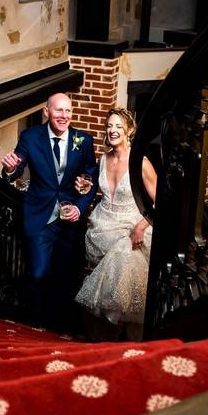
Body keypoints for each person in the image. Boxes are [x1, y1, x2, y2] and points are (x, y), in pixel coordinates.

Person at [0, 93, 98, 332]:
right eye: (58, 111)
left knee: (65, 278)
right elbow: (16, 169)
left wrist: (79, 206)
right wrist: (10, 170)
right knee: (37, 274)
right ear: (46, 111)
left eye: (68, 111)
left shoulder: (83, 140)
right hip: (40, 217)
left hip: (69, 221)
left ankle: (60, 330)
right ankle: (33, 326)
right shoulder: (30, 137)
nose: (64, 116)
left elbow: (90, 180)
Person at [74, 107, 157, 340]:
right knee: (101, 290)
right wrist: (88, 188)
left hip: (130, 230)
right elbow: (105, 194)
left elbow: (160, 202)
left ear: (129, 130)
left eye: (118, 126)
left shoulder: (140, 162)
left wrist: (141, 227)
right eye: (110, 125)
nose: (113, 130)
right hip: (101, 227)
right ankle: (100, 342)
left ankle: (123, 342)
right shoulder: (103, 158)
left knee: (122, 282)